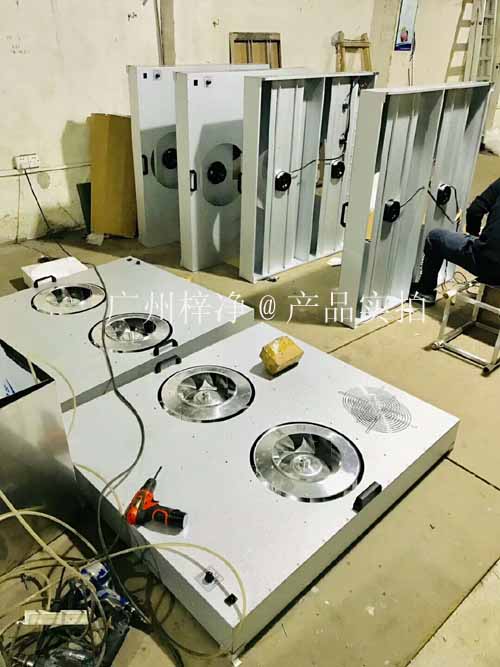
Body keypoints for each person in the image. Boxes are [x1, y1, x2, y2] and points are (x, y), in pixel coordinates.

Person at [411, 178, 500, 304]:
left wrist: (473, 235)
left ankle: (425, 292)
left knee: (434, 238)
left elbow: (475, 210)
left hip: (486, 262)